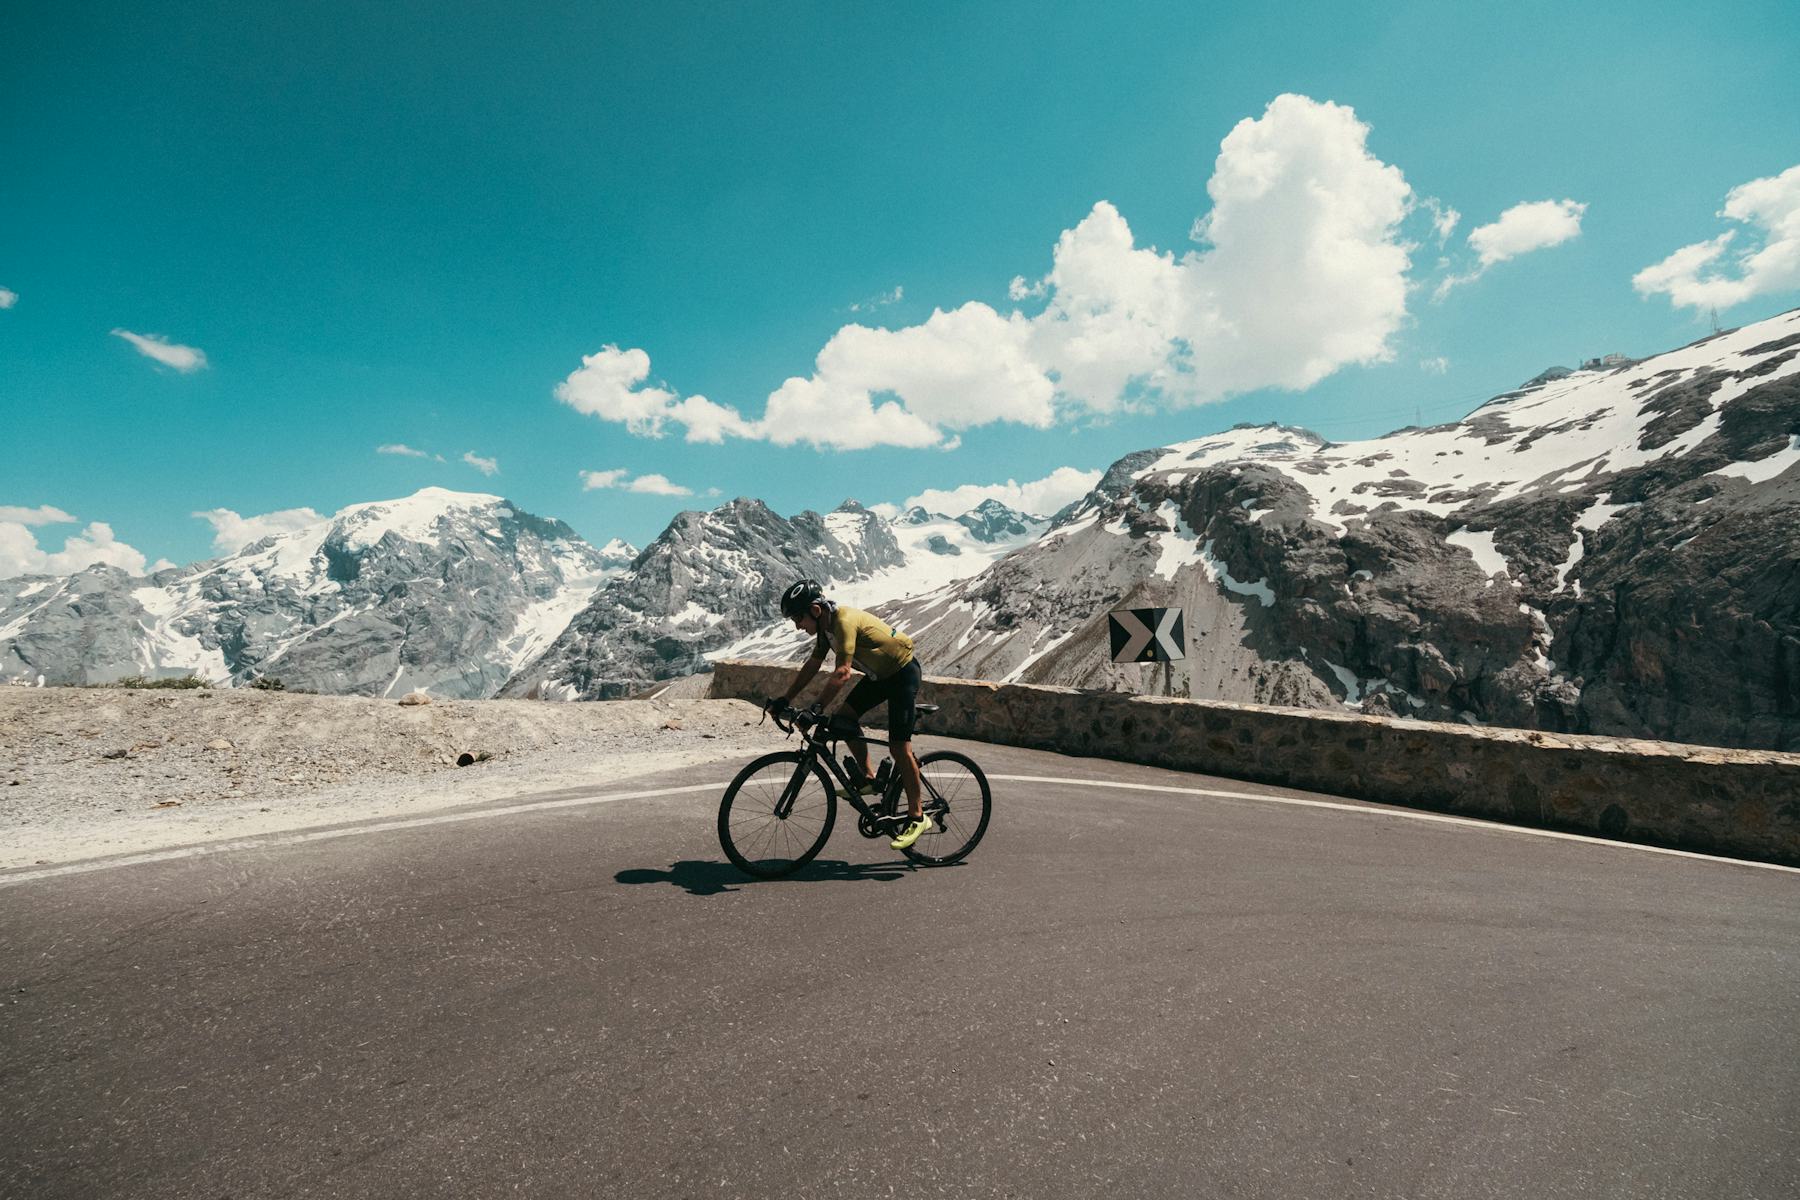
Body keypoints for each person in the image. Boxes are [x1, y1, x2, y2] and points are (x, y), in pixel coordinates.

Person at [770, 579, 930, 851]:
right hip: (879, 676)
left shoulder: (843, 622)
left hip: (903, 674)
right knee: (844, 720)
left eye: (798, 618)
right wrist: (786, 698)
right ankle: (868, 779)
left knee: (899, 747)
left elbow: (843, 673)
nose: (797, 625)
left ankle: (918, 816)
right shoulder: (825, 629)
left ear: (816, 610)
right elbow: (813, 665)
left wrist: (815, 710)